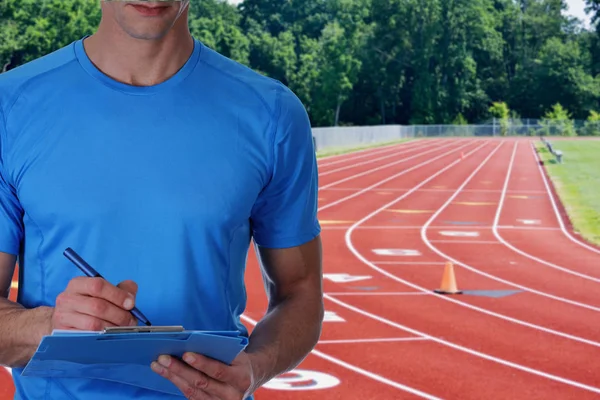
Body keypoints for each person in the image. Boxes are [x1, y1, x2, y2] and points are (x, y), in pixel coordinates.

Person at [0, 1, 324, 399]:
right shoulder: (9, 109)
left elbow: (301, 291)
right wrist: (49, 327)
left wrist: (255, 368)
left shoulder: (272, 115)